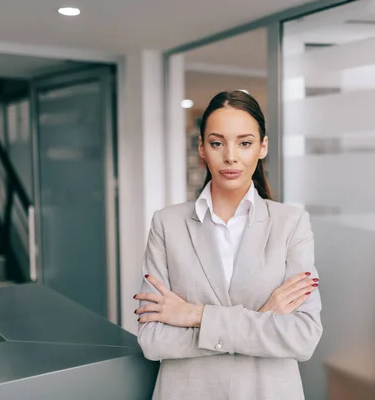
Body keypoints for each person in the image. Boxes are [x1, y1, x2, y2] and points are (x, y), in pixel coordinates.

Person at [134, 90, 323, 400]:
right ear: (202, 148)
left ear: (262, 147)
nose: (231, 156)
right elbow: (153, 340)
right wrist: (262, 317)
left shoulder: (291, 224)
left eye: (245, 143)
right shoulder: (167, 224)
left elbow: (303, 338)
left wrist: (195, 315)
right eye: (217, 143)